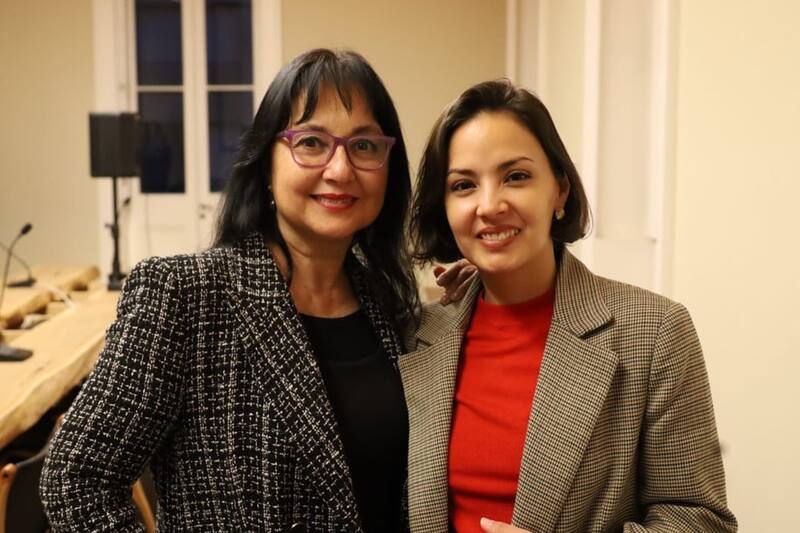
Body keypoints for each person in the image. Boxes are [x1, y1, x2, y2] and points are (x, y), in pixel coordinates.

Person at [40, 49, 419, 532]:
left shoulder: (391, 306)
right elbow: (76, 478)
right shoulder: (184, 295)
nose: (340, 170)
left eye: (364, 146)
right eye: (311, 142)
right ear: (266, 166)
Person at [404, 79, 737, 532]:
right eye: (463, 185)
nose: (490, 204)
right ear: (443, 206)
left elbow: (700, 520)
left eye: (516, 176)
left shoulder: (655, 331)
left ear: (559, 190)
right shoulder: (418, 333)